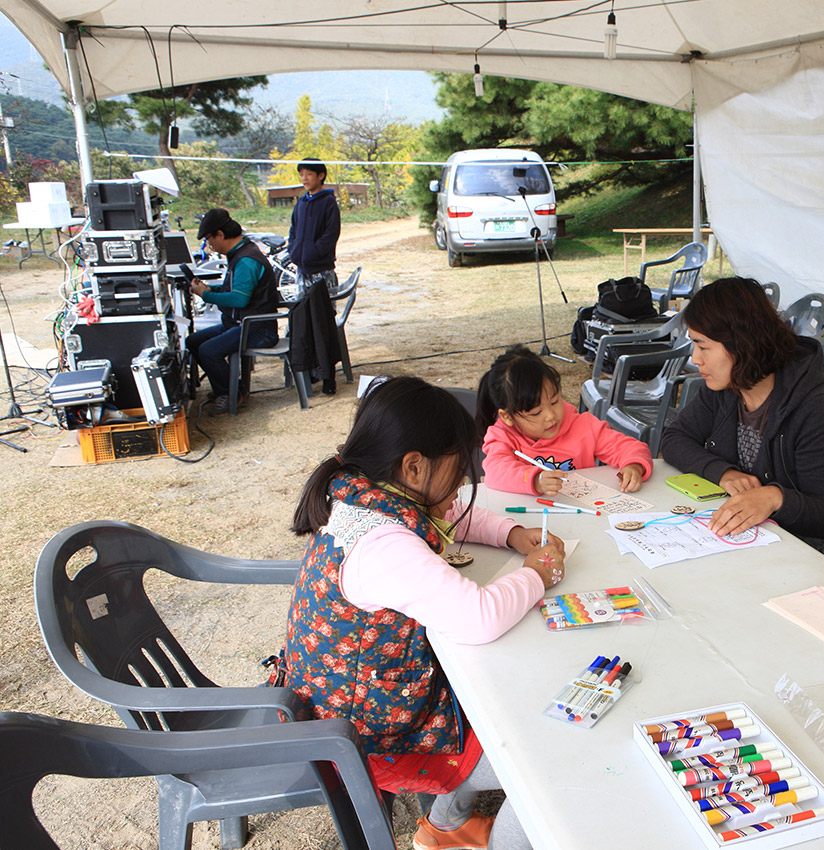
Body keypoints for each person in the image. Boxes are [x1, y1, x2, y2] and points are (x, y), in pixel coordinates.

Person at [280, 376, 565, 850]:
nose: (462, 484)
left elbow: (450, 512)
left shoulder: (360, 493)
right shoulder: (383, 544)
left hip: (356, 703)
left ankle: (447, 826)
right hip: (378, 736)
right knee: (545, 761)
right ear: (414, 467)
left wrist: (514, 534)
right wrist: (538, 573)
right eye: (458, 471)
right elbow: (480, 617)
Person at [661, 277, 824, 566]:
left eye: (703, 346)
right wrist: (722, 472)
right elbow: (674, 439)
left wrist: (774, 498)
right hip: (763, 532)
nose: (695, 358)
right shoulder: (724, 389)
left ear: (741, 344)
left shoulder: (815, 408)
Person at [478, 345, 653, 495]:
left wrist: (634, 465)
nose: (550, 416)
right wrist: (534, 480)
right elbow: (495, 471)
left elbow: (630, 447)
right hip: (530, 523)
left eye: (554, 401)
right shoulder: (502, 437)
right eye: (536, 413)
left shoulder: (581, 426)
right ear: (507, 416)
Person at [188, 208, 280, 415]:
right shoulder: (240, 253)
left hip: (257, 328)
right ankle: (230, 386)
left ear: (220, 234)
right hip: (240, 323)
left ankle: (230, 393)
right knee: (193, 342)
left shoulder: (247, 259)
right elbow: (237, 290)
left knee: (208, 350)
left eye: (209, 239)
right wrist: (212, 289)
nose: (209, 245)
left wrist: (205, 295)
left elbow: (239, 299)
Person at [287, 158, 342, 395]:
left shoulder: (328, 203)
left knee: (324, 323)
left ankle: (329, 375)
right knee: (304, 323)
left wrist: (312, 253)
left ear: (320, 175)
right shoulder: (300, 203)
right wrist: (295, 252)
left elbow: (331, 235)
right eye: (301, 175)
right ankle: (310, 372)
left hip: (322, 272)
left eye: (309, 174)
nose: (304, 179)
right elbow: (293, 232)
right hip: (302, 272)